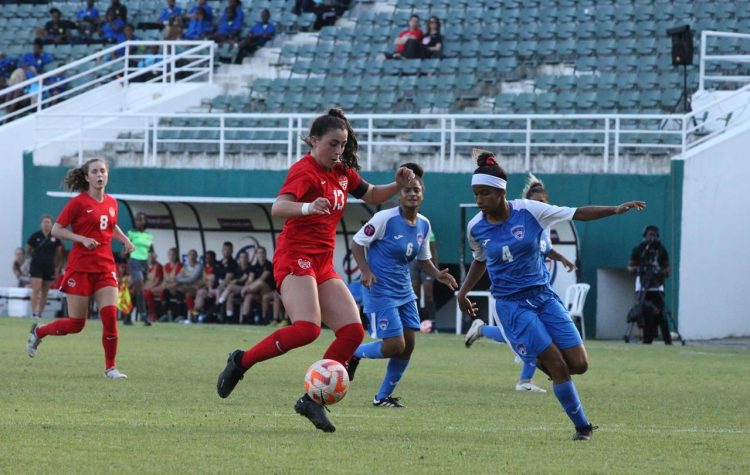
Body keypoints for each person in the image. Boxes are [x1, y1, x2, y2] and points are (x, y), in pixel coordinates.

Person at [215, 108, 416, 433]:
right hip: (295, 256)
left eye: (342, 144)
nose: (338, 151)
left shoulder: (341, 172)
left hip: (322, 262)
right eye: (332, 144)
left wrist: (398, 183)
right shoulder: (304, 171)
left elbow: (373, 194)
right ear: (313, 140)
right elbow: (279, 207)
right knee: (307, 329)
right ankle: (241, 361)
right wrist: (308, 207)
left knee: (352, 332)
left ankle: (312, 401)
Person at [456, 150, 646, 440]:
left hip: (543, 297)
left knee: (579, 364)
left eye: (485, 194)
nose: (479, 201)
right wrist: (463, 291)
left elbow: (578, 213)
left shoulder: (530, 210)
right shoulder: (475, 227)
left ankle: (542, 361)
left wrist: (616, 209)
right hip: (511, 305)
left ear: (500, 192)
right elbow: (480, 260)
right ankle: (583, 427)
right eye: (476, 194)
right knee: (559, 364)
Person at [346, 162, 457, 407]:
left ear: (422, 194)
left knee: (408, 346)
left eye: (416, 190)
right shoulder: (384, 218)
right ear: (400, 194)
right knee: (394, 345)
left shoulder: (424, 225)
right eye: (407, 190)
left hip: (405, 292)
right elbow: (357, 242)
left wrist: (437, 274)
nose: (412, 194)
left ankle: (382, 397)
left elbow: (423, 258)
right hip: (380, 290)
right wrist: (364, 270)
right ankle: (354, 353)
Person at [465, 173, 578, 394]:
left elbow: (545, 249)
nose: (542, 205)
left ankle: (483, 330)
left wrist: (561, 258)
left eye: (544, 202)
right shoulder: (518, 219)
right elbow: (481, 259)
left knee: (542, 340)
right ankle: (525, 380)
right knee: (535, 339)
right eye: (537, 202)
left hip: (539, 289)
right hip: (513, 294)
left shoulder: (543, 226)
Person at [25, 158, 135, 379]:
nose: (99, 175)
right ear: (87, 177)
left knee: (110, 317)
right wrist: (81, 239)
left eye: (103, 171)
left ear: (107, 175)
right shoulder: (78, 203)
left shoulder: (112, 203)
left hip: (105, 267)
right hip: (80, 268)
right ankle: (39, 331)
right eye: (94, 172)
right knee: (76, 324)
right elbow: (57, 229)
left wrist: (125, 240)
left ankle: (110, 368)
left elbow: (110, 224)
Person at [627, 225, 672, 345]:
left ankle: (668, 341)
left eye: (655, 235)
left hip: (657, 285)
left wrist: (661, 272)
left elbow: (667, 268)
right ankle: (647, 340)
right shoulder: (639, 250)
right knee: (645, 312)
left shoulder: (661, 250)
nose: (652, 237)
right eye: (650, 235)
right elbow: (630, 267)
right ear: (645, 236)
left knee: (661, 312)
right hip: (642, 285)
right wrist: (641, 269)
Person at [26, 215, 64, 319]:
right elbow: (28, 249)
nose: (46, 224)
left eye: (48, 222)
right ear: (41, 224)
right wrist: (33, 258)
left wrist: (57, 267)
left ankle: (40, 313)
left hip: (49, 267)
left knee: (45, 290)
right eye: (44, 222)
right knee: (36, 288)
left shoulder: (55, 237)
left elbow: (59, 254)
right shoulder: (35, 236)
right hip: (36, 266)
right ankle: (33, 313)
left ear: (52, 224)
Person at [124, 212, 153, 325]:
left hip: (144, 263)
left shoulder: (149, 236)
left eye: (142, 219)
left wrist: (152, 257)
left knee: (137, 291)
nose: (139, 222)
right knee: (140, 287)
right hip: (134, 261)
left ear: (145, 221)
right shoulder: (130, 233)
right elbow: (125, 250)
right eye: (137, 220)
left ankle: (127, 316)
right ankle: (144, 316)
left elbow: (151, 251)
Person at [409, 227, 438, 328]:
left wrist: (435, 268)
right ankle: (415, 322)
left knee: (428, 295)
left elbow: (433, 250)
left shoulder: (427, 229)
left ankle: (432, 324)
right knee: (414, 295)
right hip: (413, 264)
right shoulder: (408, 230)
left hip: (427, 263)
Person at [239, 246, 274, 324]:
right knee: (248, 296)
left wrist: (246, 288)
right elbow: (250, 279)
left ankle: (245, 291)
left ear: (265, 254)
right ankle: (245, 319)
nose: (260, 255)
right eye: (259, 253)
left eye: (262, 253)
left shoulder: (268, 265)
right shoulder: (254, 267)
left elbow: (262, 279)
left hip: (268, 291)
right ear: (257, 255)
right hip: (257, 292)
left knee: (260, 282)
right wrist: (246, 286)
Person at [142, 248, 163, 322]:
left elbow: (157, 281)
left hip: (156, 288)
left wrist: (147, 287)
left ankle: (153, 313)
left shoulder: (158, 266)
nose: (149, 258)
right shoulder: (145, 266)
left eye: (151, 256)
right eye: (148, 256)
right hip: (146, 287)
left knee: (147, 293)